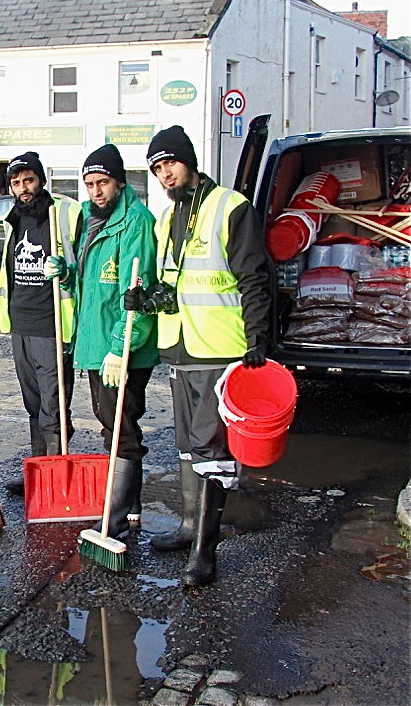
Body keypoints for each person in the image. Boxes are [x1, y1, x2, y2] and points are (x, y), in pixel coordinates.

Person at [125, 125, 270, 586]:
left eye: (171, 163)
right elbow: (176, 285)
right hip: (180, 345)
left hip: (222, 348)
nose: (166, 174)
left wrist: (258, 340)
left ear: (189, 161)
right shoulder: (169, 219)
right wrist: (147, 299)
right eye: (157, 168)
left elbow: (254, 278)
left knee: (212, 449)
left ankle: (205, 552)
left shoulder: (230, 207)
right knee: (188, 446)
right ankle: (190, 528)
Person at [45, 144, 159, 538]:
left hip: (122, 346)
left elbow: (137, 290)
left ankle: (115, 520)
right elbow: (93, 283)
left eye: (103, 183)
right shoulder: (93, 221)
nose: (95, 192)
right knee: (112, 424)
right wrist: (66, 272)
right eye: (89, 184)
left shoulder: (135, 223)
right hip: (95, 343)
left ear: (120, 182)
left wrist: (120, 344)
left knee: (120, 430)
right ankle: (131, 508)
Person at [0, 151, 83, 495]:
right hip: (20, 321)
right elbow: (7, 257)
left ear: (41, 180)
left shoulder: (64, 212)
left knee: (53, 403)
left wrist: (67, 270)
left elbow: (85, 261)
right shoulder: (13, 218)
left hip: (52, 324)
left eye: (28, 180)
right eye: (16, 183)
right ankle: (38, 472)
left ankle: (56, 477)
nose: (23, 188)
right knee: (32, 402)